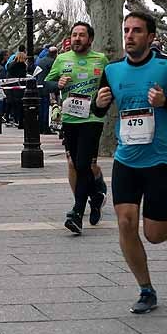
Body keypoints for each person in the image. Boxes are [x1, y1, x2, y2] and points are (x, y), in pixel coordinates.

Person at [92, 13, 167, 314]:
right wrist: (98, 105)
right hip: (126, 158)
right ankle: (145, 289)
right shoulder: (112, 71)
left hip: (159, 160)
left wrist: (166, 102)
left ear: (150, 37)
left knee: (153, 233)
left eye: (137, 31)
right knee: (125, 222)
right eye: (126, 30)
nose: (129, 35)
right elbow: (98, 110)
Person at [43, 22, 110, 235]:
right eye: (74, 35)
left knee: (81, 164)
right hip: (70, 119)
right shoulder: (62, 60)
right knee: (75, 164)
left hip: (92, 119)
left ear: (90, 39)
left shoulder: (100, 60)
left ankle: (77, 212)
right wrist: (57, 84)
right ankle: (96, 195)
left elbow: (108, 87)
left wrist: (102, 103)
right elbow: (45, 83)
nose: (77, 39)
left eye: (82, 35)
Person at [5, 51, 27, 126]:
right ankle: (19, 120)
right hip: (19, 86)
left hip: (11, 85)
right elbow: (22, 75)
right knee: (19, 104)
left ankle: (13, 119)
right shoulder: (22, 65)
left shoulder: (11, 64)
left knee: (12, 103)